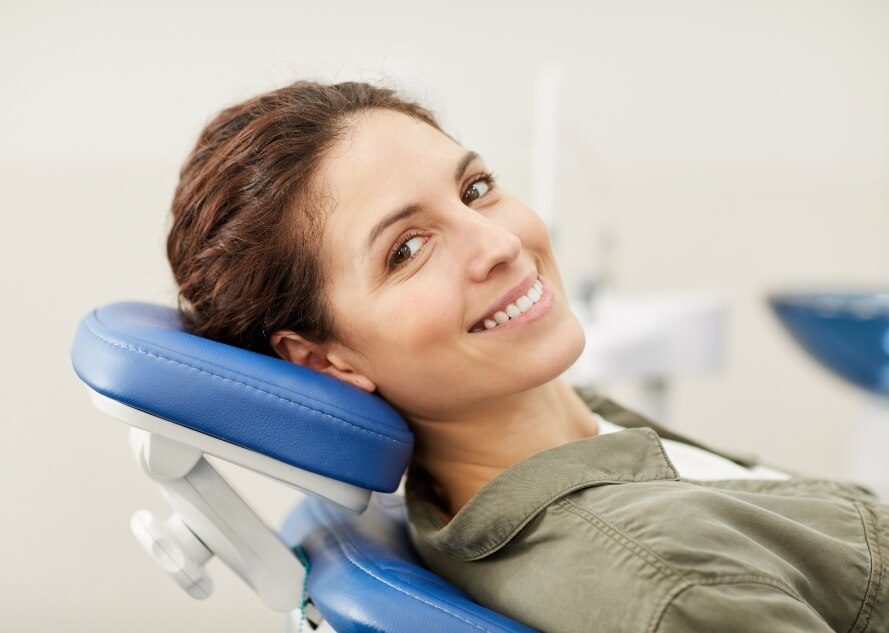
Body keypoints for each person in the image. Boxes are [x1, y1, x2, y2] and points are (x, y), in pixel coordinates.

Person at [166, 80, 889, 632]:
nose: (500, 244)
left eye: (474, 189)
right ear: (325, 362)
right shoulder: (669, 582)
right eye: (407, 250)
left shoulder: (574, 432)